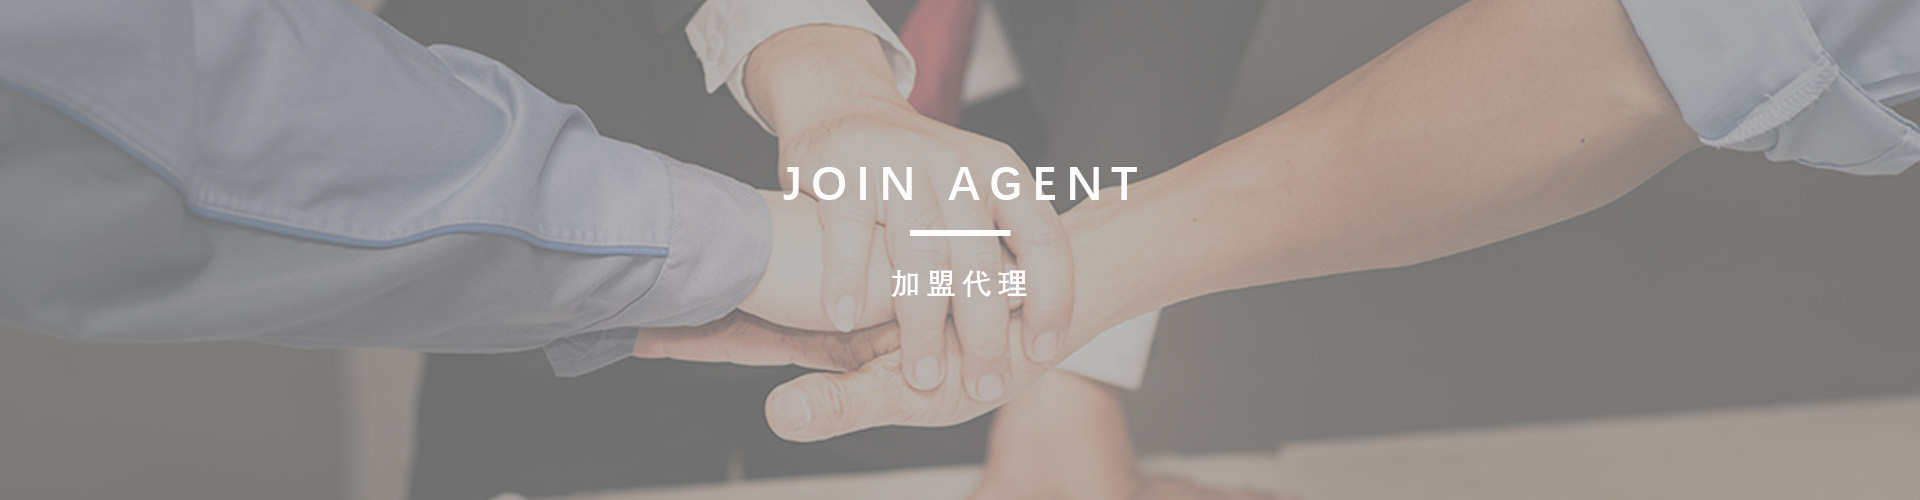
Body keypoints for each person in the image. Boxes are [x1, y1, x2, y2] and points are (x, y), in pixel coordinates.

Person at [656, 0, 1920, 443]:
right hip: (650, 142)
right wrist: (822, 73)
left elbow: (1653, 48)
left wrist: (1059, 339)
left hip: (1024, 196)